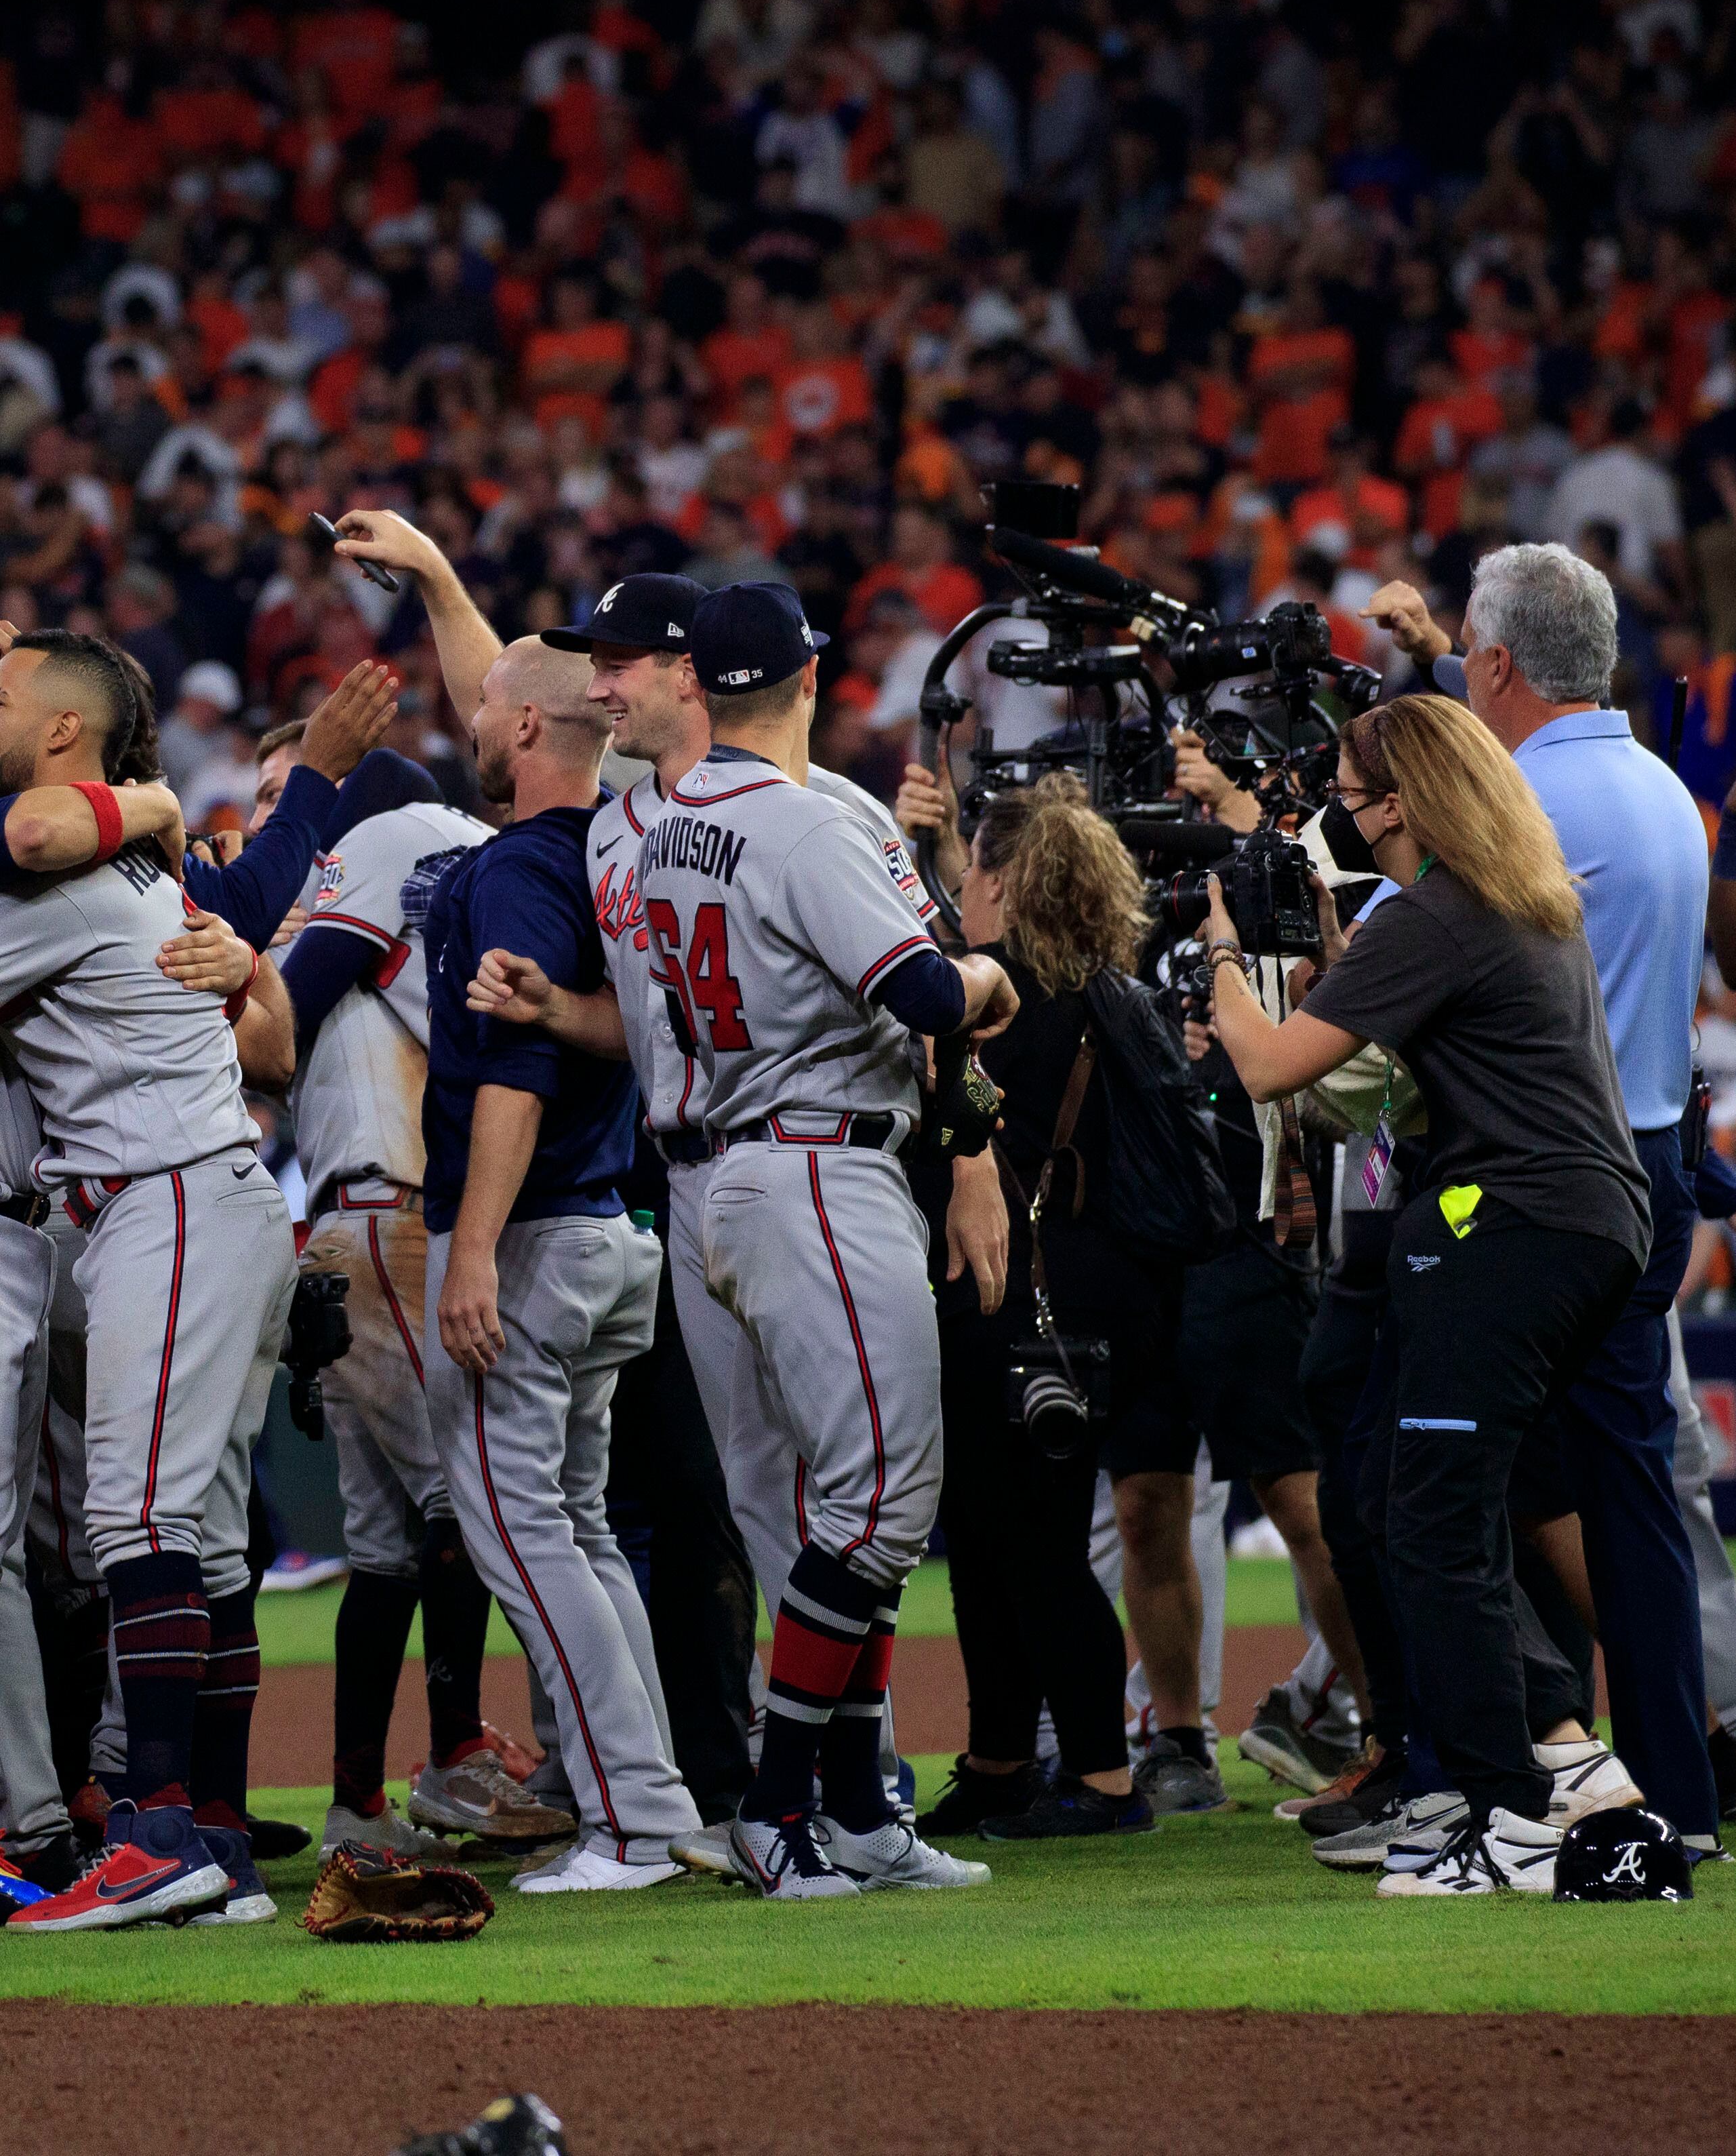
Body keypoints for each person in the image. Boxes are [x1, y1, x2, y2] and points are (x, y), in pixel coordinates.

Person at [0, 628, 294, 1931]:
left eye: (6, 702)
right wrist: (181, 846)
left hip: (168, 1198)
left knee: (140, 1528)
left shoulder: (64, 876)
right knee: (157, 1529)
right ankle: (192, 1840)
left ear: (64, 739)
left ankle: (156, 1834)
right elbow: (270, 1046)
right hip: (157, 1202)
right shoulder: (76, 851)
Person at [557, 581, 1015, 1898]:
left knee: (801, 1516)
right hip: (816, 1163)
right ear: (806, 679)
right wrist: (993, 976)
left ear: (699, 681)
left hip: (714, 1173)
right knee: (871, 1507)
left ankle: (853, 1807)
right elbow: (928, 991)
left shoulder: (653, 835)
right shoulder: (811, 826)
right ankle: (779, 1803)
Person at [1208, 693, 1649, 1894]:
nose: (1334, 818)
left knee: (1432, 1522)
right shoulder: (1510, 893)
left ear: (1394, 803)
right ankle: (1558, 1759)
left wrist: (1217, 957)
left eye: (1345, 797)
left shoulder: (1435, 911)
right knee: (1427, 1501)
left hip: (1507, 1227)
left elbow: (1264, 1066)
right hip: (1578, 1224)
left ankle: (1505, 1821)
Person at [1368, 551, 1722, 1844]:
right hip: (1652, 1162)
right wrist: (1428, 658)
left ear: (1500, 665)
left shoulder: (1522, 806)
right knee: (1613, 1488)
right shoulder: (1659, 791)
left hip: (1536, 1189)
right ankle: (1661, 1783)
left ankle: (1495, 1771)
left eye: (1470, 650)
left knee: (1427, 1472)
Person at [417, 628, 709, 1896]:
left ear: (529, 728)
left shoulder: (520, 871)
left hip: (530, 1237)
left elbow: (516, 1071)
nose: (472, 717)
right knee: (578, 1533)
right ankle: (655, 1796)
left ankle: (635, 1821)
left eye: (487, 702)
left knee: (527, 1535)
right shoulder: (615, 853)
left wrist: (472, 1251)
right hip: (609, 1231)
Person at [919, 776, 1184, 1841]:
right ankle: (995, 1762)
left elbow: (953, 1081)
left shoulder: (1008, 991)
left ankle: (1102, 1778)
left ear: (1000, 879)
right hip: (1106, 1292)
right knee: (995, 1535)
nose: (963, 890)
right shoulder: (1113, 990)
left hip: (1026, 1291)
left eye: (972, 871)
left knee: (1022, 1541)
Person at [271, 697, 500, 1859]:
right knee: (468, 1504)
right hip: (388, 1223)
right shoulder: (363, 905)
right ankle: (455, 1760)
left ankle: (360, 1803)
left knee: (385, 1546)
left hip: (351, 1229)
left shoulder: (331, 918)